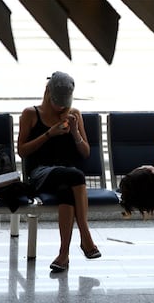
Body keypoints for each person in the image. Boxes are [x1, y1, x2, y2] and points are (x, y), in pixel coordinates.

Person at [18, 71, 101, 272]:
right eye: (58, 102)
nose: (62, 107)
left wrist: (74, 133)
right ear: (47, 93)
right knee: (75, 175)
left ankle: (63, 255)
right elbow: (22, 151)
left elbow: (86, 152)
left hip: (67, 175)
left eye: (65, 102)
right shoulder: (31, 114)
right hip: (40, 173)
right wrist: (49, 133)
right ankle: (85, 235)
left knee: (66, 189)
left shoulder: (75, 114)